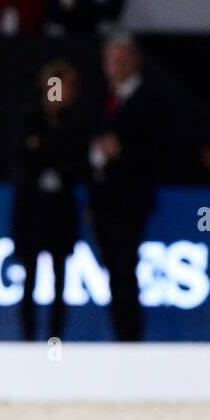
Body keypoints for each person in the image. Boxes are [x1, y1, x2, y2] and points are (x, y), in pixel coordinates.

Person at [88, 33, 162, 341]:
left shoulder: (148, 100)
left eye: (120, 61)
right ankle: (121, 336)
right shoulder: (104, 100)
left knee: (124, 270)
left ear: (135, 62)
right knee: (113, 270)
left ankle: (130, 338)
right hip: (105, 200)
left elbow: (158, 150)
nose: (114, 67)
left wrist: (123, 152)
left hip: (130, 200)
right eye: (110, 61)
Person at [11, 61, 89, 341]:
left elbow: (78, 160)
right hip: (32, 211)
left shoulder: (76, 121)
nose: (69, 92)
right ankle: (28, 338)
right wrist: (56, 155)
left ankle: (56, 336)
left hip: (60, 212)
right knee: (29, 276)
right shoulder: (29, 117)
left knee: (60, 277)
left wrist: (45, 149)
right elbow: (23, 159)